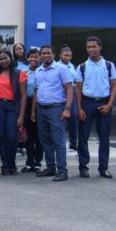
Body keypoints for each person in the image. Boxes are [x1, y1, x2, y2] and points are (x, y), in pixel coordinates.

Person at [75, 36, 116, 178]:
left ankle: (103, 168)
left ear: (100, 47)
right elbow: (78, 89)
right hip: (87, 103)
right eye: (89, 47)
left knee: (104, 137)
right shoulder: (82, 67)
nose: (91, 49)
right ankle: (83, 167)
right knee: (83, 137)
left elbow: (114, 86)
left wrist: (110, 104)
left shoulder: (109, 65)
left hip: (104, 103)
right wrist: (79, 108)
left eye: (94, 46)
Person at [31, 45, 73, 181]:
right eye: (43, 53)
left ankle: (62, 170)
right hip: (41, 109)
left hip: (56, 109)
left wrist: (67, 109)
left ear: (54, 54)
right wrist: (33, 110)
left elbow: (69, 89)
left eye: (49, 53)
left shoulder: (62, 69)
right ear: (40, 56)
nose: (46, 55)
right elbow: (37, 91)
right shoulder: (38, 71)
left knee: (58, 141)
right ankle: (50, 167)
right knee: (45, 140)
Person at [0, 49, 27, 175]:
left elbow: (23, 96)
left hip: (13, 107)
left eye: (5, 58)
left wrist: (21, 115)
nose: (3, 61)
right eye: (0, 59)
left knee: (12, 137)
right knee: (2, 137)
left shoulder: (19, 74)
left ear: (11, 58)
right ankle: (5, 165)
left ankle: (12, 164)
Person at [21, 48, 43, 173]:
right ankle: (29, 162)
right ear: (28, 58)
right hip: (27, 104)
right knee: (28, 135)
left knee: (39, 136)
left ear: (40, 58)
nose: (34, 59)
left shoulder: (42, 72)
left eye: (36, 57)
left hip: (40, 104)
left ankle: (38, 162)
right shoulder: (24, 73)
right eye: (31, 57)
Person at [59, 45, 79, 151]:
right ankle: (59, 142)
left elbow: (76, 79)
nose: (67, 57)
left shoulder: (73, 66)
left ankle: (73, 142)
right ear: (60, 55)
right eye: (65, 55)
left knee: (74, 118)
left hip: (72, 94)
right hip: (60, 94)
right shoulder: (57, 66)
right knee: (60, 119)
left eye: (69, 56)